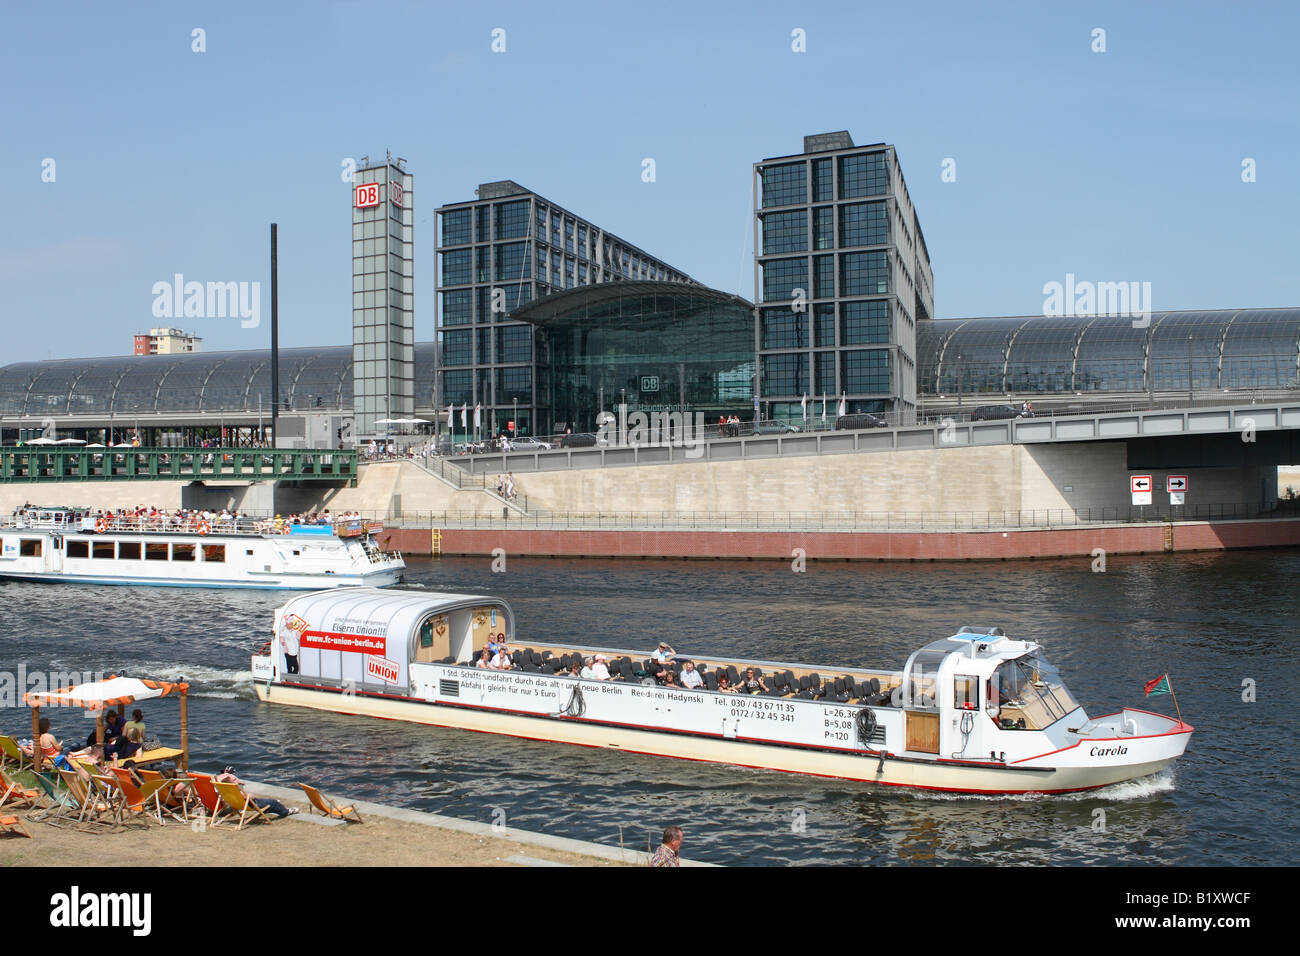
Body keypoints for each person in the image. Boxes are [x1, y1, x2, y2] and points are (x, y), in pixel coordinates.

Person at [214, 768, 298, 817]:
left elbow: (219, 779)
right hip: (250, 804)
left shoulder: (225, 790)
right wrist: (250, 795)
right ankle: (286, 812)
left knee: (267, 801)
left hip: (239, 804)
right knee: (274, 802)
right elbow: (248, 797)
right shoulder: (235, 790)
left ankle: (273, 805)